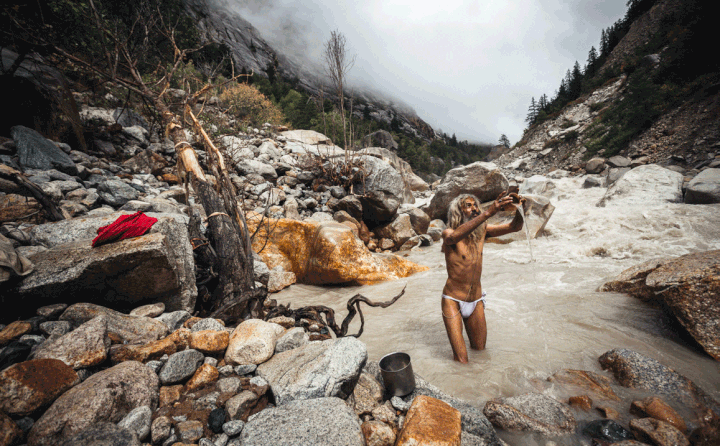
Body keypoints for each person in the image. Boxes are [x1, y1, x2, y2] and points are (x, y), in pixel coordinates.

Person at [440, 191, 526, 363]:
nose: (474, 208)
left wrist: (520, 209)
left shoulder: (482, 232)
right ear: (458, 211)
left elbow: (515, 227)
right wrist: (488, 213)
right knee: (461, 360)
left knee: (481, 354)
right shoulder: (448, 232)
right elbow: (453, 238)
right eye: (468, 205)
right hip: (453, 300)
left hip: (476, 300)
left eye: (475, 205)